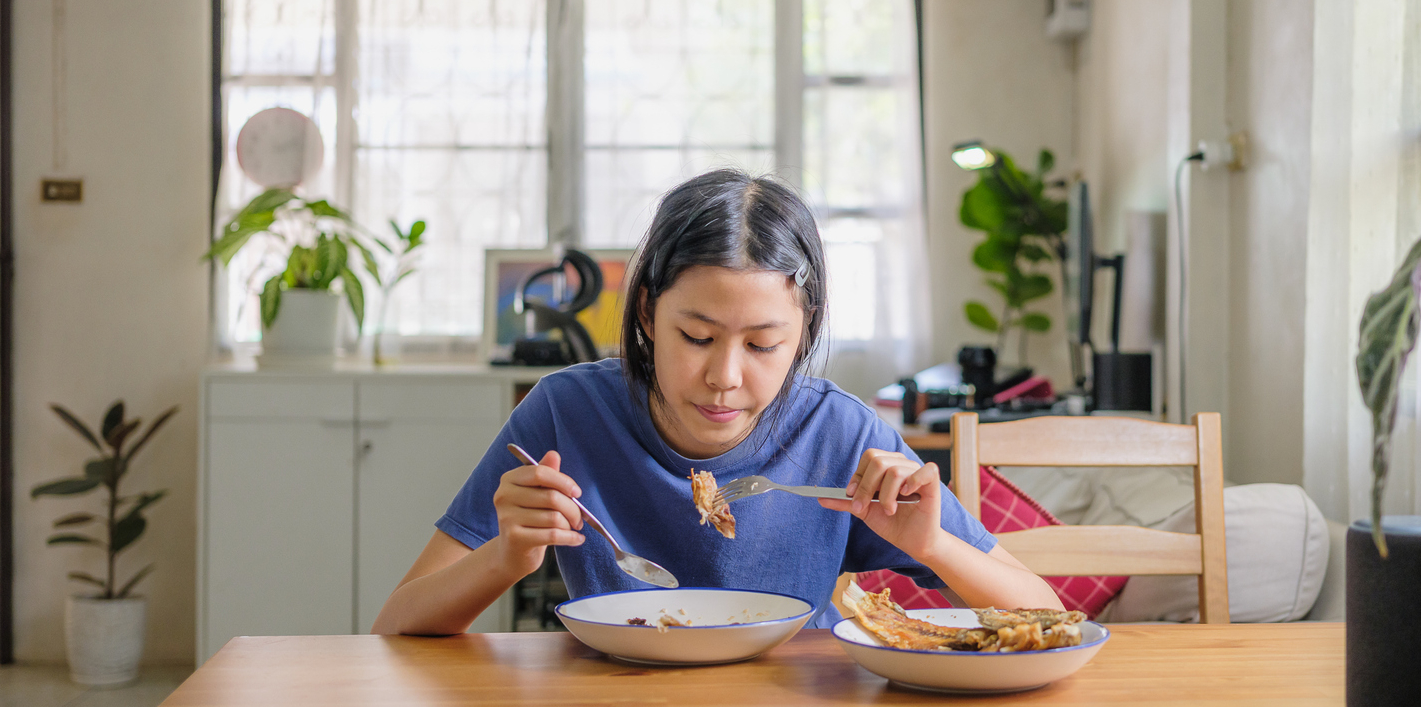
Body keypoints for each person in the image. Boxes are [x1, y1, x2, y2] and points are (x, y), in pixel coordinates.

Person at [372, 169, 1059, 635]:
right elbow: (396, 624)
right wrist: (507, 559)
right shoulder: (567, 414)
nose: (724, 377)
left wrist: (934, 545)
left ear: (804, 334)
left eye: (763, 345)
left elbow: (1049, 615)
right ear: (646, 311)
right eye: (697, 336)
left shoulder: (839, 433)